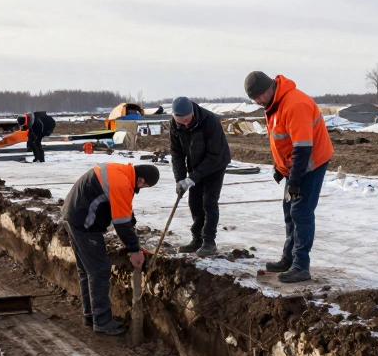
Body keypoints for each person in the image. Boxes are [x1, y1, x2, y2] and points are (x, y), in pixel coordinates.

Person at [244, 71, 333, 283]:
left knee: (301, 212)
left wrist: (294, 180)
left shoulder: (294, 105)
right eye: (253, 99)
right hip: (294, 165)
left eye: (258, 97)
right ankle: (288, 259)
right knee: (289, 211)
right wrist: (280, 167)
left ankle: (301, 266)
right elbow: (281, 140)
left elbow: (302, 148)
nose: (257, 102)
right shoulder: (274, 104)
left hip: (310, 164)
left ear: (268, 90)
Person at [62, 162, 160, 335]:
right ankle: (102, 320)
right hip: (84, 224)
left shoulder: (121, 173)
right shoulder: (122, 183)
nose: (143, 188)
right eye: (145, 186)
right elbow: (121, 223)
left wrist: (134, 239)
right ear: (142, 179)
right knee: (99, 271)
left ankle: (91, 315)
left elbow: (124, 210)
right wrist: (134, 250)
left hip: (73, 215)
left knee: (87, 270)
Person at [169, 97, 231, 257]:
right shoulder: (175, 125)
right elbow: (177, 154)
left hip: (216, 164)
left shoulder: (210, 121)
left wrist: (192, 178)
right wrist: (180, 180)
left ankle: (209, 242)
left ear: (192, 113)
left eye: (187, 121)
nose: (185, 125)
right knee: (194, 201)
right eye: (180, 122)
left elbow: (214, 156)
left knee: (209, 201)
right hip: (195, 163)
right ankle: (197, 239)